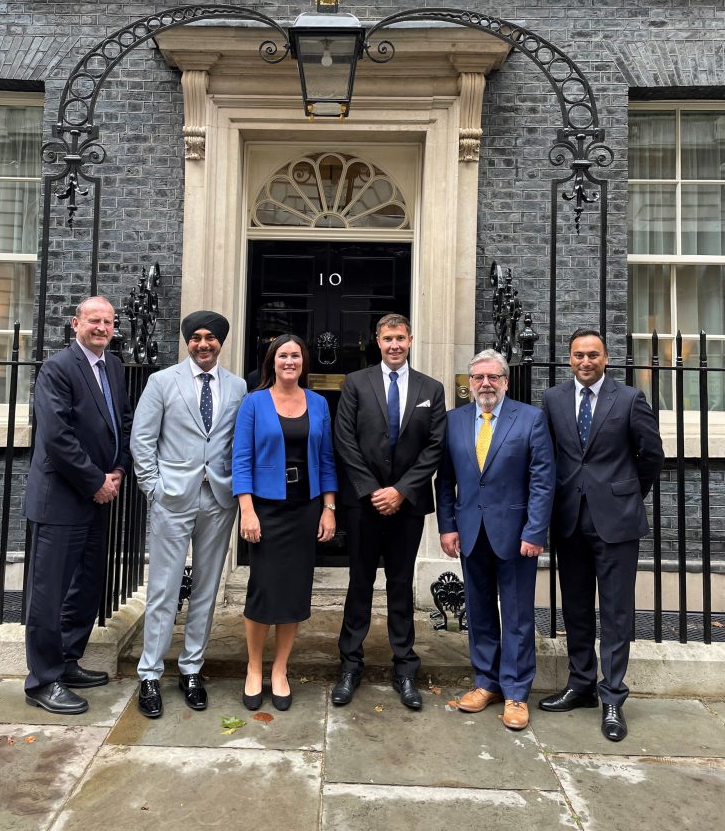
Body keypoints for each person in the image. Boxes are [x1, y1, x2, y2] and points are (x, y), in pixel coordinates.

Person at [539, 328, 664, 742]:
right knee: (575, 607)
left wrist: (625, 494)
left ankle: (613, 696)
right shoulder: (553, 399)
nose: (585, 361)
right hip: (569, 519)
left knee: (615, 612)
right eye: (578, 355)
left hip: (616, 522)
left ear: (606, 358)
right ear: (569, 359)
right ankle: (581, 684)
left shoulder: (629, 399)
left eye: (593, 354)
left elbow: (652, 455)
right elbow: (549, 457)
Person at [130, 310, 246, 719]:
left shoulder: (238, 386)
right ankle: (150, 673)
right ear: (186, 341)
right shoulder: (161, 382)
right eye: (195, 337)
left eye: (210, 338)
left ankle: (191, 669)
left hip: (218, 500)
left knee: (206, 589)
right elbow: (142, 439)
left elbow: (236, 442)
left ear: (220, 342)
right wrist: (154, 489)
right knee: (163, 589)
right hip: (173, 498)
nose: (202, 344)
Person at [24, 296, 132, 715]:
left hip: (100, 494)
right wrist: (95, 482)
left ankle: (68, 662)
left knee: (85, 586)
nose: (101, 327)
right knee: (49, 595)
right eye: (94, 320)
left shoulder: (115, 366)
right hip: (62, 499)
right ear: (76, 324)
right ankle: (42, 681)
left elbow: (123, 421)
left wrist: (119, 470)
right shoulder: (58, 368)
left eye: (108, 321)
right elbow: (57, 436)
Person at [332, 313, 446, 710]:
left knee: (400, 586)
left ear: (411, 340)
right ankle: (349, 665)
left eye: (400, 338)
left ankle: (405, 668)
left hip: (408, 504)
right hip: (364, 504)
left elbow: (435, 446)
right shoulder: (355, 383)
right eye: (387, 338)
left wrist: (400, 490)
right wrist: (373, 490)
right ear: (376, 341)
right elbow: (343, 439)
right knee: (359, 583)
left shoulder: (431, 388)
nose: (394, 344)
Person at [437, 349, 555, 731]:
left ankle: (517, 692)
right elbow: (444, 480)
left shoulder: (531, 419)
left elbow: (542, 481)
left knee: (518, 616)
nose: (485, 384)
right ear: (470, 383)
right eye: (478, 378)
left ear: (505, 381)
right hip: (470, 532)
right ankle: (486, 682)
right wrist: (447, 526)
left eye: (493, 377)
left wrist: (535, 530)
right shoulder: (453, 421)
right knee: (480, 610)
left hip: (518, 535)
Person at [232, 334, 337, 712]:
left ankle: (280, 670)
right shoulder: (253, 402)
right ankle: (253, 667)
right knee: (262, 589)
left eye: (295, 355)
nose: (289, 361)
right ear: (271, 362)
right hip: (265, 507)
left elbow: (327, 458)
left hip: (305, 507)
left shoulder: (319, 403)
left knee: (294, 591)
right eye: (282, 356)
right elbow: (240, 458)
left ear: (303, 362)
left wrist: (329, 507)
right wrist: (246, 509)